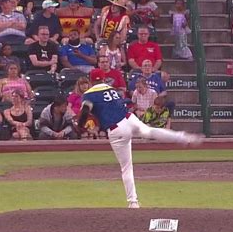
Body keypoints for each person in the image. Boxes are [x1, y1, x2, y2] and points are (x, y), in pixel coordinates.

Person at [77, 73, 203, 208]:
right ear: (102, 79)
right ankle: (183, 137)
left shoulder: (88, 95)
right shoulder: (109, 87)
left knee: (126, 168)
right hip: (129, 118)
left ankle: (133, 202)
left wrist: (80, 126)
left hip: (116, 129)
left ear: (90, 81)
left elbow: (85, 111)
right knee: (149, 131)